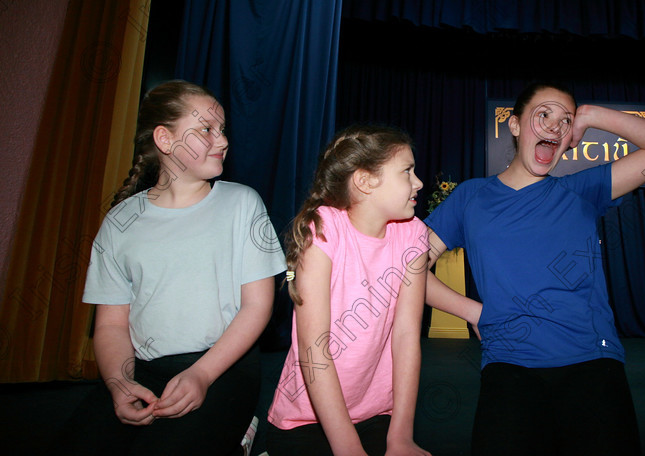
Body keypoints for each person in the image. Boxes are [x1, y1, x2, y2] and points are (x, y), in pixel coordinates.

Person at [423, 82, 645, 455]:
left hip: (592, 366)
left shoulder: (583, 189)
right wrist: (474, 311)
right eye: (543, 114)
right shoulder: (471, 196)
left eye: (565, 121)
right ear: (514, 126)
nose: (554, 126)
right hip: (508, 366)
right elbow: (408, 268)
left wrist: (591, 116)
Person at [56, 81, 285, 455]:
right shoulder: (120, 222)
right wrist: (119, 383)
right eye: (207, 130)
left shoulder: (242, 204)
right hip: (143, 368)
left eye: (223, 129)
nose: (223, 140)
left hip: (222, 365)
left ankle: (241, 431)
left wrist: (202, 374)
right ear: (165, 139)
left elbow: (257, 307)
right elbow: (112, 325)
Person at [267, 125, 447, 456]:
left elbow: (406, 336)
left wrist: (401, 436)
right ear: (365, 181)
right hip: (306, 418)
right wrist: (347, 447)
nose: (418, 182)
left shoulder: (414, 235)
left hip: (375, 412)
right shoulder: (322, 229)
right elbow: (313, 348)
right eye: (407, 171)